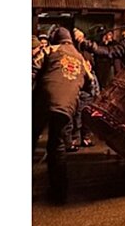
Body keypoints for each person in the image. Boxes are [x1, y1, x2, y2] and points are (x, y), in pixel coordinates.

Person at [32, 26, 92, 203]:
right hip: (67, 107)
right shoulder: (81, 59)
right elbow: (91, 84)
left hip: (43, 101)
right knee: (56, 145)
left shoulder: (51, 49)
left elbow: (32, 69)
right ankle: (59, 192)